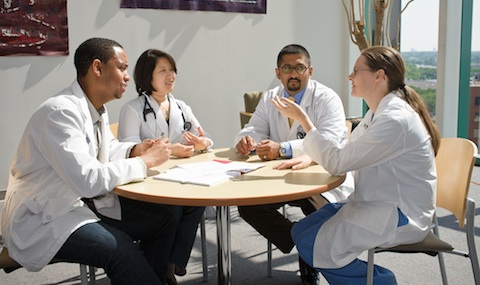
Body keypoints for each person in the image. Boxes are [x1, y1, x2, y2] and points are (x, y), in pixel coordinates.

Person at [0, 38, 178, 285]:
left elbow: (105, 150)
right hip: (46, 217)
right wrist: (144, 162)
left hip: (78, 204)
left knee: (164, 219)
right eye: (122, 67)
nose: (128, 77)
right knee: (120, 250)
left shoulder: (96, 110)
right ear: (97, 68)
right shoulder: (60, 112)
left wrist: (135, 150)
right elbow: (88, 180)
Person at [273, 45, 441, 284]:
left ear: (379, 76)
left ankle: (381, 280)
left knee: (312, 245)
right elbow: (346, 153)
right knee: (299, 232)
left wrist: (304, 120)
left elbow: (338, 163)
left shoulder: (394, 120)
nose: (349, 77)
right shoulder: (377, 113)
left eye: (356, 71)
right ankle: (371, 278)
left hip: (401, 214)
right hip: (376, 201)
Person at [234, 44, 354, 285]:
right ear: (278, 73)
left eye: (299, 67)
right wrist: (247, 141)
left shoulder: (326, 98)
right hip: (277, 178)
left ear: (310, 70)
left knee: (320, 211)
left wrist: (284, 148)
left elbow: (330, 141)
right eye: (287, 68)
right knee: (248, 207)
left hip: (318, 178)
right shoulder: (270, 97)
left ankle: (310, 255)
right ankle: (303, 242)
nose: (293, 74)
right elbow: (254, 128)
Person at [118, 48, 210, 285]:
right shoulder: (132, 109)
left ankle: (172, 264)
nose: (171, 76)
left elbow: (204, 137)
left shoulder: (181, 106)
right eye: (163, 71)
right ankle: (163, 272)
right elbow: (128, 150)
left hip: (182, 177)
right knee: (173, 209)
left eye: (172, 71)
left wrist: (201, 143)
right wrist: (170, 150)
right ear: (147, 76)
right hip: (149, 182)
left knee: (198, 203)